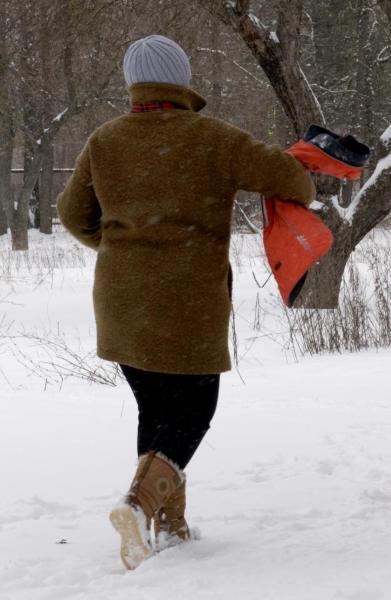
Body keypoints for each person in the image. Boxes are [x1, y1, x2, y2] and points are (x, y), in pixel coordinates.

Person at [56, 34, 315, 570]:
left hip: (121, 301)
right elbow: (295, 182)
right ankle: (136, 505)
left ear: (133, 84)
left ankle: (168, 526)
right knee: (194, 411)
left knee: (157, 409)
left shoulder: (104, 140)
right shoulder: (214, 139)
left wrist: (122, 249)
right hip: (188, 302)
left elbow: (72, 213)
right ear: (182, 80)